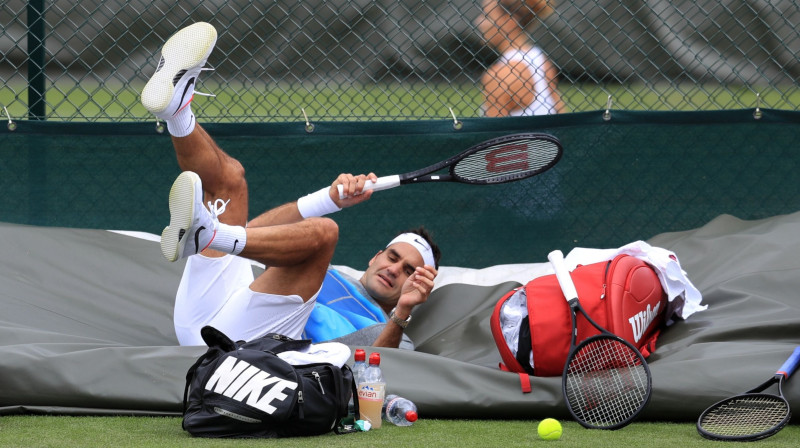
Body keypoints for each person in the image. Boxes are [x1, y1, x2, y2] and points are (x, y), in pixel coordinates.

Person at [140, 22, 440, 349]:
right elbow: (250, 233)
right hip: (209, 313)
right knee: (231, 179)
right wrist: (329, 199)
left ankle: (206, 234)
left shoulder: (391, 330)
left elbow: (381, 365)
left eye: (409, 270)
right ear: (375, 256)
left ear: (419, 285)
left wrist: (403, 313)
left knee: (325, 232)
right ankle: (177, 111)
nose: (394, 269)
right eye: (393, 257)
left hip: (242, 345)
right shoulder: (325, 273)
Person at [476, 0, 565, 116]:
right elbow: (559, 110)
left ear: (509, 21)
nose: (479, 22)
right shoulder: (539, 58)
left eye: (487, 16)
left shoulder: (499, 76)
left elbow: (494, 127)